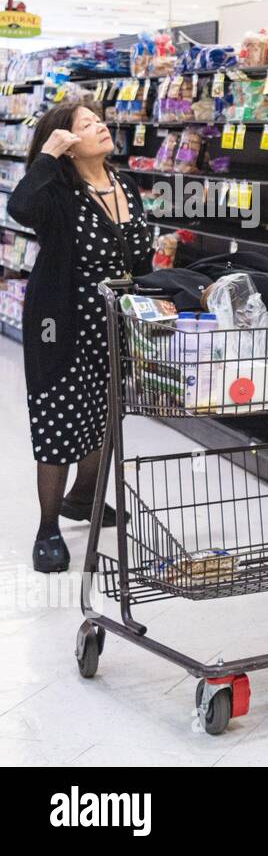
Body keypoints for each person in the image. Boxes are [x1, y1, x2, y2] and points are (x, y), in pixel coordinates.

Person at [9, 102, 153, 572]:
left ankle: (83, 497)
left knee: (106, 414)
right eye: (86, 125)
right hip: (61, 325)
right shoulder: (56, 193)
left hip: (117, 325)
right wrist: (47, 156)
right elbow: (19, 207)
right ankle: (48, 527)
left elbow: (141, 255)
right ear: (67, 143)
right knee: (60, 421)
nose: (101, 127)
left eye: (99, 120)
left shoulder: (125, 185)